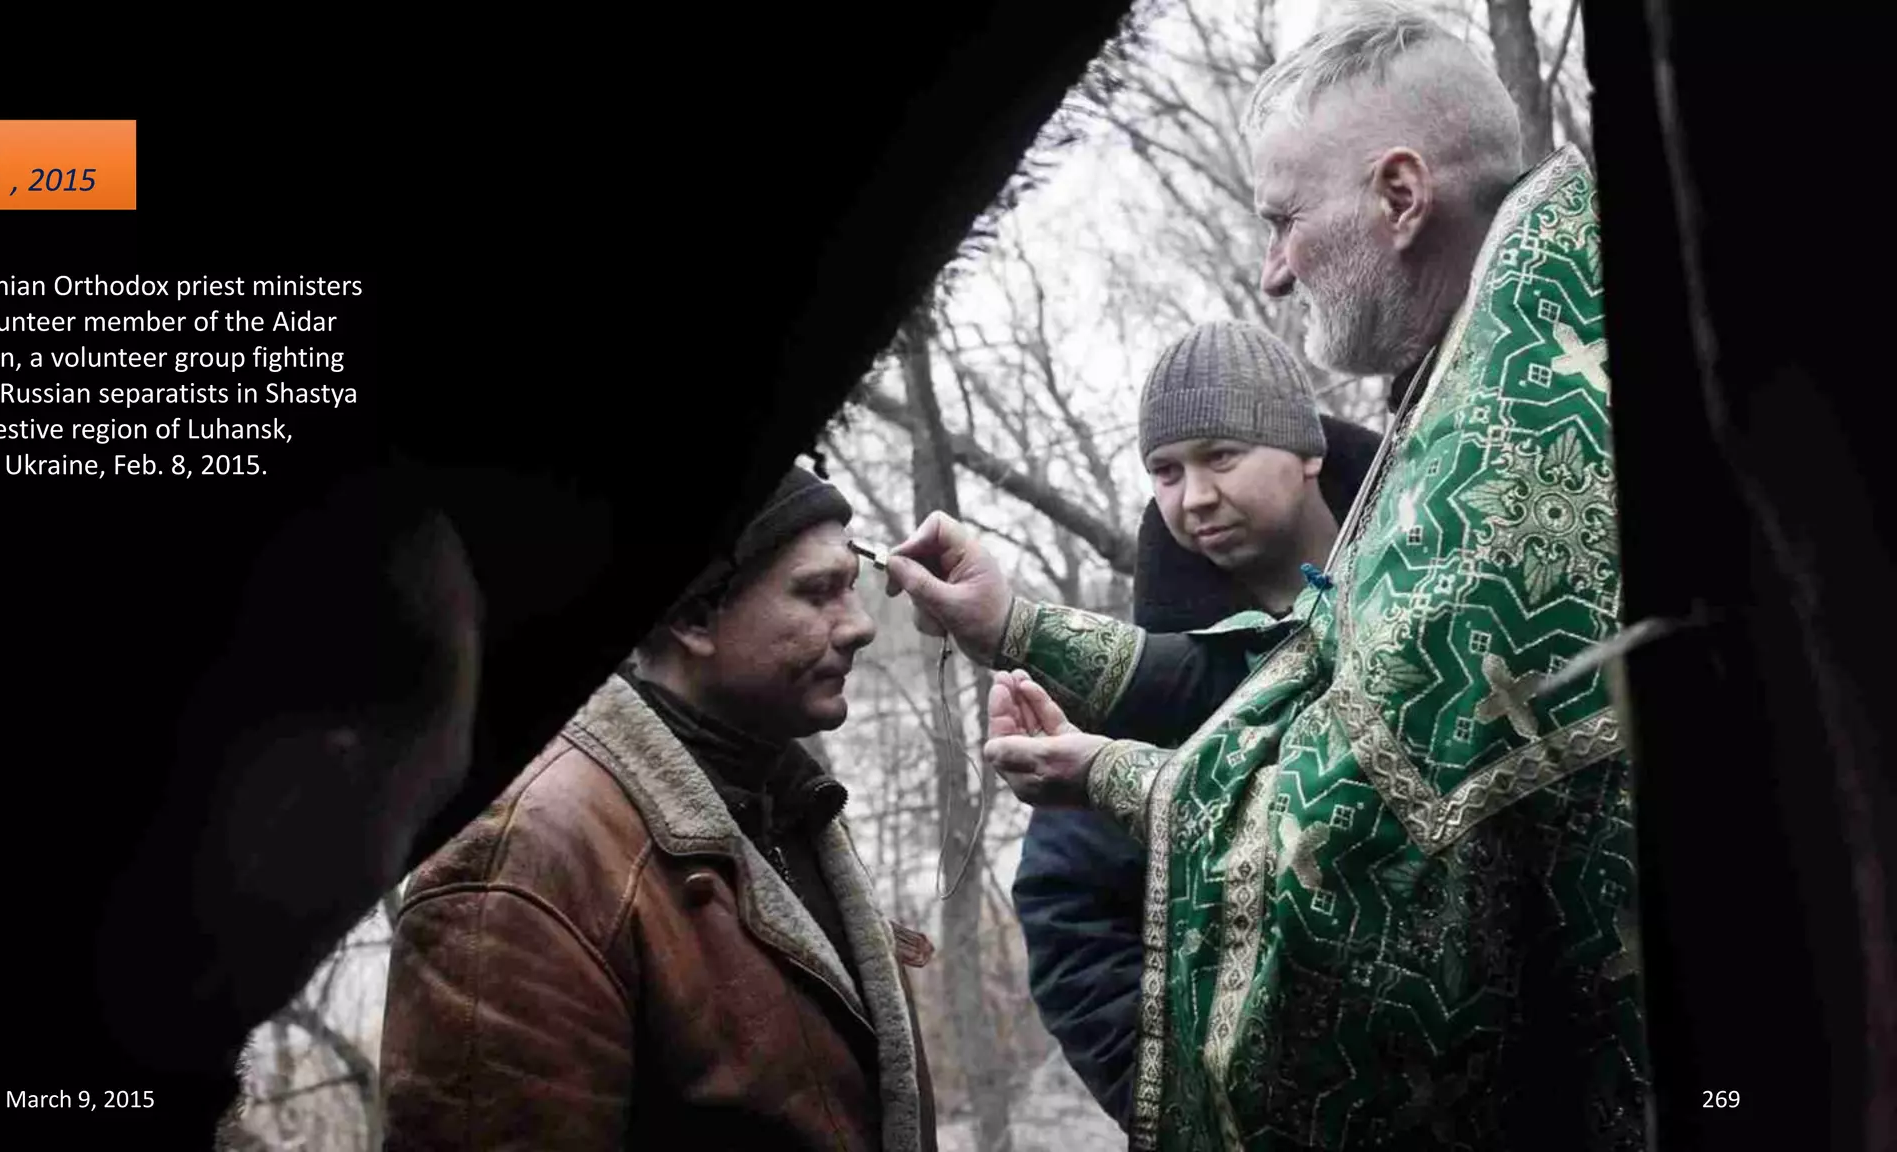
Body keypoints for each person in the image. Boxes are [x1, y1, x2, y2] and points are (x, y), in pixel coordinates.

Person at [889, 4, 1648, 1148]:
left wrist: (1101, 775)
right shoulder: (1518, 345)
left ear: (1400, 196)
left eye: (1285, 219)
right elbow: (1307, 670)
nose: (1274, 270)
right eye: (1162, 469)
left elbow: (1337, 853)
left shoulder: (1492, 464)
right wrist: (1015, 625)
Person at [379, 465, 937, 1152]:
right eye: (818, 591)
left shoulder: (783, 800)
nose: (858, 627)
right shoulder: (523, 859)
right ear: (694, 616)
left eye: (851, 586)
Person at [1002, 319, 1382, 1129]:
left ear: (1306, 450)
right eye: (1165, 471)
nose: (1194, 497)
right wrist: (1181, 1103)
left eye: (1221, 456)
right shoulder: (1130, 681)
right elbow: (1068, 912)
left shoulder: (1433, 575)